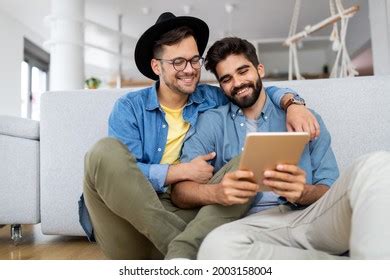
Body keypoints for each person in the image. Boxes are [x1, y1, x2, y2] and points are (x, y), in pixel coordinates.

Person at [80, 12, 319, 260]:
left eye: (194, 60)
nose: (190, 70)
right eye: (178, 62)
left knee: (244, 166)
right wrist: (177, 172)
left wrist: (293, 103)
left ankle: (181, 252)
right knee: (102, 152)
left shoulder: (210, 97)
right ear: (156, 66)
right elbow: (121, 174)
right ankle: (184, 250)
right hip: (129, 225)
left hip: (189, 215)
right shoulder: (129, 108)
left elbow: (252, 88)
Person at [190, 37, 390, 260]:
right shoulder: (212, 123)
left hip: (310, 217)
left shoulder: (303, 118)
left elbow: (329, 190)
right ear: (221, 86)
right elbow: (180, 192)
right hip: (249, 225)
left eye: (243, 71)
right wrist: (217, 192)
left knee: (378, 164)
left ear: (260, 70)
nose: (237, 83)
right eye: (226, 79)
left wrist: (302, 192)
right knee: (215, 248)